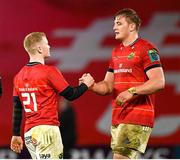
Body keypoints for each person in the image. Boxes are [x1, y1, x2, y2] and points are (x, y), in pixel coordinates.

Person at [80, 8, 165, 159]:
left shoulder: (146, 48)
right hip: (119, 117)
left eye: (119, 23)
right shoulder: (116, 52)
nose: (114, 28)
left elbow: (159, 81)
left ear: (132, 26)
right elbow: (107, 86)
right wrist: (91, 86)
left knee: (120, 158)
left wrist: (131, 91)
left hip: (137, 116)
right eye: (114, 24)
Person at [10, 32, 94, 159]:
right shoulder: (49, 72)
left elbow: (17, 108)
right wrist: (86, 85)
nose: (49, 46)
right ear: (39, 48)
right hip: (47, 132)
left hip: (29, 134)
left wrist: (16, 134)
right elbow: (71, 95)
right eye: (47, 44)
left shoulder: (18, 76)